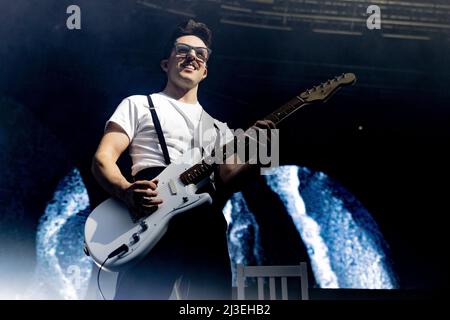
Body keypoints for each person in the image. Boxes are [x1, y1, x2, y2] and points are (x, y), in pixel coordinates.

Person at [91, 19, 275, 300]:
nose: (192, 56)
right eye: (183, 50)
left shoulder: (218, 128)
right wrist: (124, 189)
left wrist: (260, 155)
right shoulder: (139, 104)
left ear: (205, 71)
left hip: (203, 219)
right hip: (152, 207)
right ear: (166, 63)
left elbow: (229, 178)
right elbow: (103, 158)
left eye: (201, 54)